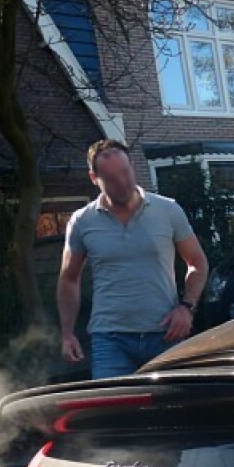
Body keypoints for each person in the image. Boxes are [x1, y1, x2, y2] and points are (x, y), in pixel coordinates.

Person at [58, 139, 208, 379]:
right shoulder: (81, 221)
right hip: (110, 340)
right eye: (111, 179)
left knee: (170, 412)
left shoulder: (168, 210)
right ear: (94, 179)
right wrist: (67, 333)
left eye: (125, 172)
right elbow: (69, 278)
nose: (122, 183)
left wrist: (187, 308)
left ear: (133, 166)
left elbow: (197, 262)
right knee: (112, 413)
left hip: (166, 335)